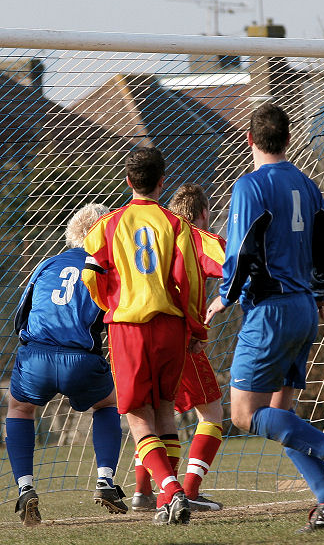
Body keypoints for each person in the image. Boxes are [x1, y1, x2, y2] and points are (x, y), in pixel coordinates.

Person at [205, 102, 324, 533]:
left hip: (272, 311)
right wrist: (320, 289)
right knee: (283, 412)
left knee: (243, 414)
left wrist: (225, 294)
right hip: (304, 309)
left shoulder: (250, 186)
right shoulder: (305, 184)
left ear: (250, 140)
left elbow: (239, 249)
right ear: (289, 139)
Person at [82, 147, 209, 525]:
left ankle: (170, 492)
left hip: (129, 327)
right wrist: (196, 327)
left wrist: (110, 303)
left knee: (139, 418)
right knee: (164, 409)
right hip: (170, 326)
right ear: (162, 182)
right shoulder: (176, 224)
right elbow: (190, 281)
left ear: (127, 181)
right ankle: (167, 500)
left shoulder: (107, 225)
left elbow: (91, 274)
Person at [6, 203, 127, 527]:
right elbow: (117, 317)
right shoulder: (107, 269)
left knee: (19, 409)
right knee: (107, 405)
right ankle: (104, 480)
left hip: (37, 357)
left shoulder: (47, 263)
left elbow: (21, 317)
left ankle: (25, 487)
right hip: (80, 360)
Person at [131, 183, 225, 513]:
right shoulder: (198, 237)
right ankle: (188, 490)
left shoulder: (155, 232)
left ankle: (143, 492)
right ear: (204, 213)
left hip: (139, 337)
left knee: (151, 415)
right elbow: (234, 267)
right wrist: (221, 299)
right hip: (181, 339)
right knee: (212, 413)